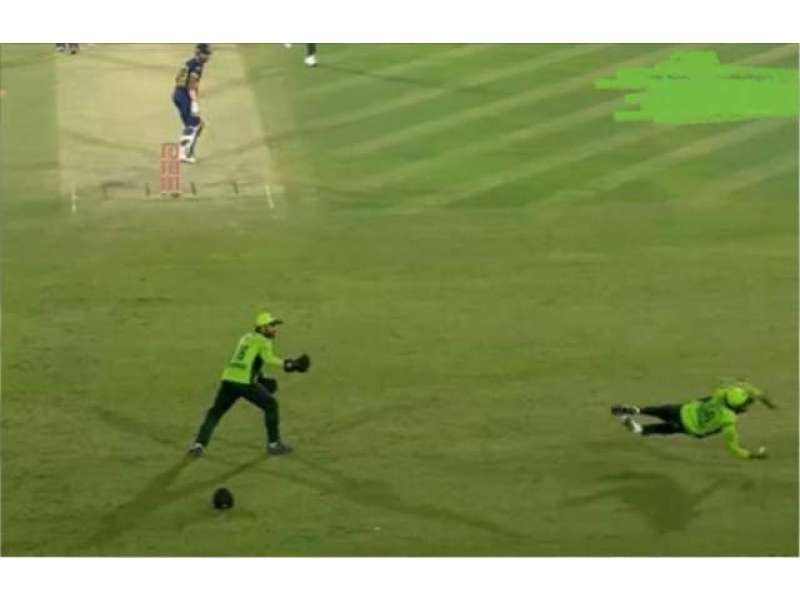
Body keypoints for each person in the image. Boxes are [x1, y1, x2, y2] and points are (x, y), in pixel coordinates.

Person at [189, 312, 311, 457]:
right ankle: (274, 444)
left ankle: (199, 445)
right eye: (271, 326)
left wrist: (260, 378)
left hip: (228, 379)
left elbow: (247, 359)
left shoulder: (246, 337)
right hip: (244, 383)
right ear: (262, 328)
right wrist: (289, 364)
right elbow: (268, 358)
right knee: (271, 405)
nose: (275, 329)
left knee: (215, 412)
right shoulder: (264, 341)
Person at [611, 381, 774, 459]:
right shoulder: (729, 422)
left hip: (683, 410)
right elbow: (734, 449)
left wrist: (761, 397)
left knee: (659, 410)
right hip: (688, 427)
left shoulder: (721, 394)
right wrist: (752, 455)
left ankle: (637, 410)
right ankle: (638, 428)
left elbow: (744, 387)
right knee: (659, 429)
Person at [172, 44, 212, 164]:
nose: (207, 57)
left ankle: (187, 152)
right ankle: (182, 153)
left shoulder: (189, 62)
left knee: (196, 125)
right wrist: (194, 102)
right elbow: (191, 85)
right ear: (199, 53)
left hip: (178, 94)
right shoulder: (197, 67)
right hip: (184, 96)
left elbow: (177, 79)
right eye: (205, 54)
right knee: (193, 124)